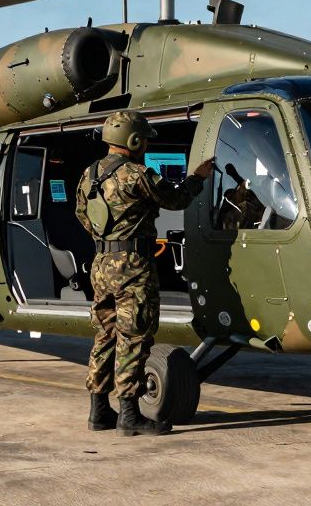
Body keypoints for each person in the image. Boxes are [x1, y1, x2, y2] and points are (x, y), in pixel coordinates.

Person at [75, 110, 214, 436]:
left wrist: (108, 241)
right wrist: (199, 177)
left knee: (105, 335)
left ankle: (98, 411)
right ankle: (130, 415)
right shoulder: (136, 175)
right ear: (133, 141)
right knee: (134, 337)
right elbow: (176, 199)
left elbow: (82, 215)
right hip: (132, 267)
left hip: (102, 266)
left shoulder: (89, 174)